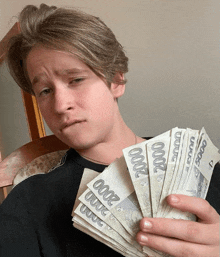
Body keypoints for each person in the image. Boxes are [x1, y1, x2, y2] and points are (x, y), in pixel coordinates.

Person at [0, 4, 219, 257]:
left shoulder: (202, 166)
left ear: (116, 80)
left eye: (76, 80)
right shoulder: (29, 201)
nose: (61, 105)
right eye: (45, 91)